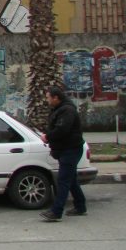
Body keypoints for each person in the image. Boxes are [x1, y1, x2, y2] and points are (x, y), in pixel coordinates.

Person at [40, 86, 87, 222]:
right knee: (70, 179)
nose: (47, 100)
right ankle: (80, 206)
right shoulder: (60, 109)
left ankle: (56, 211)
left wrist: (47, 137)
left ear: (56, 98)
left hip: (71, 149)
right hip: (66, 149)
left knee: (63, 180)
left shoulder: (67, 110)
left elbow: (62, 129)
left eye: (49, 97)